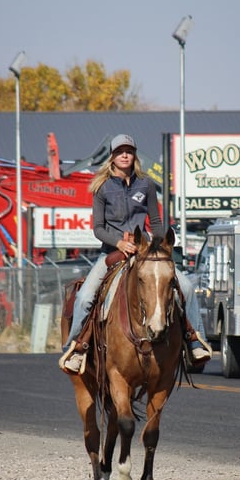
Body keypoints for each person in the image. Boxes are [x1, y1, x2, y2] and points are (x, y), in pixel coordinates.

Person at [59, 134, 212, 374]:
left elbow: (157, 220)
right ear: (112, 156)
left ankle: (195, 341)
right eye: (120, 151)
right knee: (85, 296)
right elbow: (98, 228)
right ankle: (76, 349)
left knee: (187, 287)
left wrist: (160, 244)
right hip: (112, 253)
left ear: (134, 155)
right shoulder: (101, 187)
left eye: (128, 151)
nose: (124, 155)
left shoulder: (146, 184)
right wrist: (119, 242)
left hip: (146, 251)